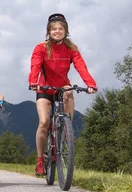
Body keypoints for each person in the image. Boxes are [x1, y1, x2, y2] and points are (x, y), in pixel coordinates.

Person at [29, 13, 97, 176]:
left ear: (66, 31)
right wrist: (33, 81)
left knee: (69, 90)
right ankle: (40, 160)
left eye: (61, 29)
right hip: (44, 88)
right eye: (54, 29)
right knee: (44, 122)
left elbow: (81, 67)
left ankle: (67, 129)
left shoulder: (71, 49)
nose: (57, 31)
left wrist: (90, 84)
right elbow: (35, 66)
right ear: (48, 31)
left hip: (61, 86)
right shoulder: (41, 48)